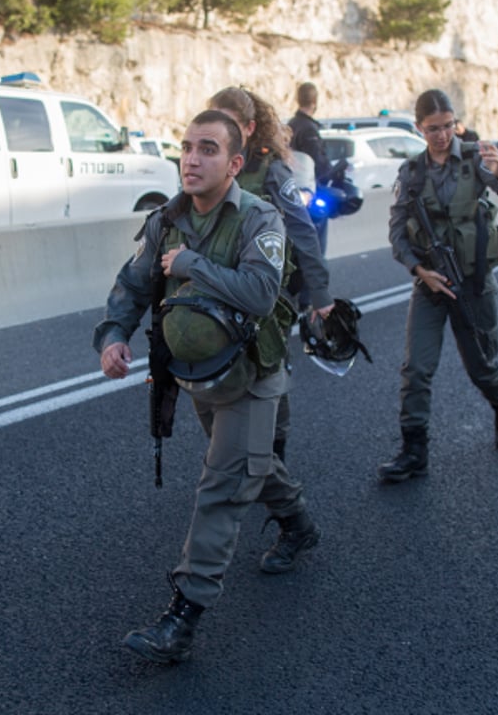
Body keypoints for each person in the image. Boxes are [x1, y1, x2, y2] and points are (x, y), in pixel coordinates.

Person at [94, 110, 321, 663]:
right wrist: (113, 336)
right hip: (198, 374)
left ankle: (182, 619)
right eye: (187, 147)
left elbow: (262, 292)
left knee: (220, 486)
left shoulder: (258, 218)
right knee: (252, 462)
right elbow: (133, 282)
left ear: (235, 163)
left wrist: (193, 265)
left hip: (253, 373)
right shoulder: (164, 221)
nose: (192, 159)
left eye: (209, 149)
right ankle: (299, 524)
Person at [377, 89, 498, 483]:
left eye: (448, 126)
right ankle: (414, 451)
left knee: (482, 368)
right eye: (433, 129)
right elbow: (396, 232)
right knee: (416, 369)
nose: (442, 135)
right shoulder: (411, 172)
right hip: (431, 284)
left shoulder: (476, 159)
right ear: (419, 129)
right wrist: (419, 270)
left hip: (474, 284)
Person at [213, 85, 334, 460]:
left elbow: (302, 229)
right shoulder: (209, 162)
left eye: (230, 124)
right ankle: (234, 456)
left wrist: (321, 295)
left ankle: (274, 456)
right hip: (225, 287)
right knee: (223, 370)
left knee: (269, 370)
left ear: (249, 127)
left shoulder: (270, 167)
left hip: (270, 292)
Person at [287, 82, 336, 255]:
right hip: (309, 189)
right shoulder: (308, 128)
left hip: (291, 189)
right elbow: (318, 162)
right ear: (315, 101)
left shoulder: (292, 124)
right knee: (316, 245)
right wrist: (333, 172)